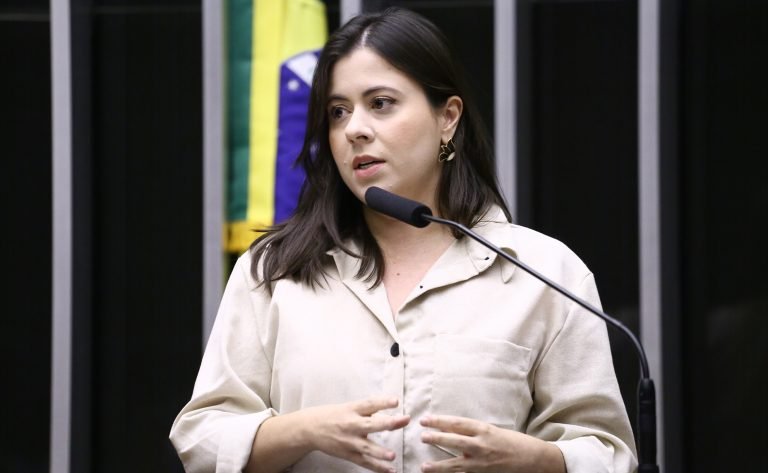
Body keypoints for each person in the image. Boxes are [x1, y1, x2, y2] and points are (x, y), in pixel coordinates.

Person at [170, 7, 637, 473]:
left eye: (381, 103)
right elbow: (201, 441)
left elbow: (608, 454)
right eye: (338, 112)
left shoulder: (544, 273)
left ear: (447, 118)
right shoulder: (273, 270)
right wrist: (304, 430)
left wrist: (536, 460)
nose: (354, 129)